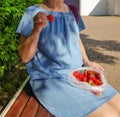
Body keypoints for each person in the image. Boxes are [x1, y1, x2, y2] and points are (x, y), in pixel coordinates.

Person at [16, 0, 120, 117]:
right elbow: (25, 57)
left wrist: (87, 61)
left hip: (78, 75)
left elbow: (77, 40)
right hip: (52, 80)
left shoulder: (72, 11)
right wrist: (36, 30)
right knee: (110, 115)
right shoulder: (32, 12)